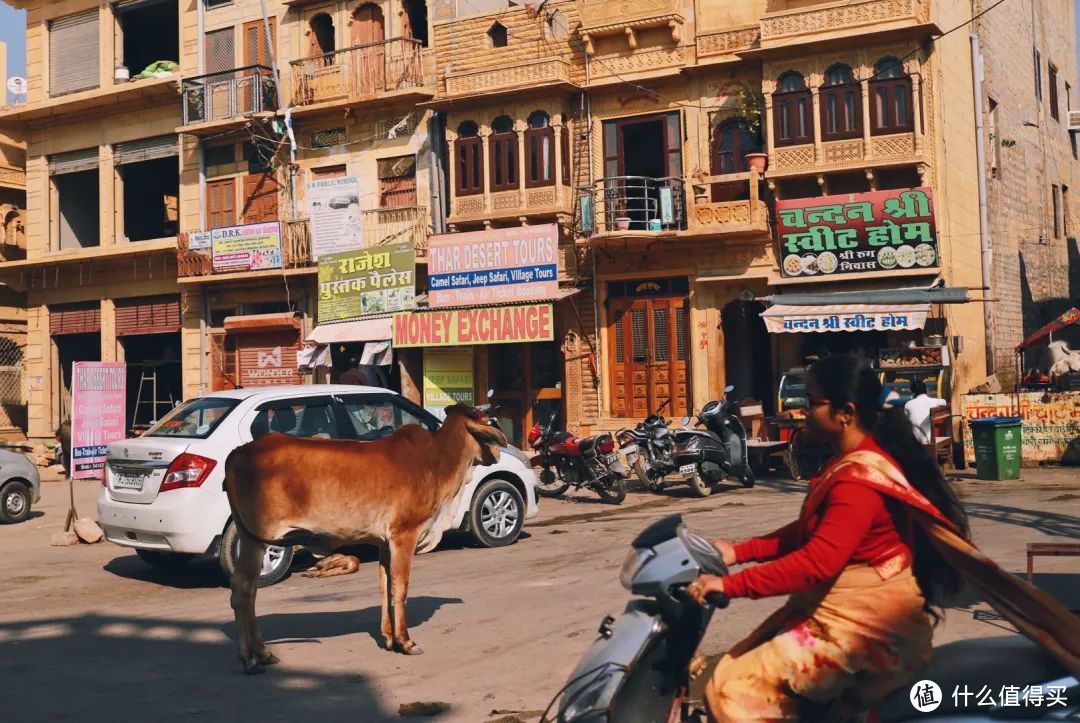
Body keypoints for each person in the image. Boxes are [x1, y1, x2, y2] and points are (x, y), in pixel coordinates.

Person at [685, 355, 1080, 722]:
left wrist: (728, 585)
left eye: (812, 401)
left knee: (733, 690)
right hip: (846, 615)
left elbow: (815, 563)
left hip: (869, 633)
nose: (801, 411)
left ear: (845, 414)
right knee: (732, 667)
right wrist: (739, 551)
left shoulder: (858, 481)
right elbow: (809, 532)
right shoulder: (847, 465)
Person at [904, 378, 947, 444]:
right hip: (929, 440)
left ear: (913, 393)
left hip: (914, 441)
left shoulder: (908, 404)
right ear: (925, 390)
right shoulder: (933, 401)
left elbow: (906, 422)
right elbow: (944, 402)